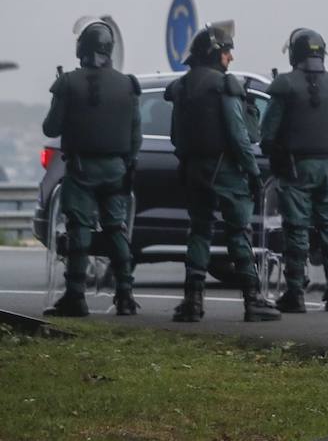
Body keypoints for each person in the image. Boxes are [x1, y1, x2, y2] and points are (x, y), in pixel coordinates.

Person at [165, 21, 280, 323]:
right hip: (226, 172)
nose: (230, 57)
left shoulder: (182, 87)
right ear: (215, 53)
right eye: (227, 51)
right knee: (238, 233)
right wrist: (253, 171)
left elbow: (176, 136)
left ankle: (192, 302)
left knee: (199, 232)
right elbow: (239, 136)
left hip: (194, 170)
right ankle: (252, 301)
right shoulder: (225, 85)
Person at [41, 20, 141, 317]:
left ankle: (75, 296)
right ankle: (125, 295)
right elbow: (136, 137)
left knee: (79, 229)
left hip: (82, 168)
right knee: (116, 229)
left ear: (82, 47)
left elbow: (51, 127)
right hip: (116, 169)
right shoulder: (128, 84)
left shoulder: (69, 83)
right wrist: (124, 164)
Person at [260, 28, 328, 314]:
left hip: (296, 167)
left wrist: (278, 154)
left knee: (296, 228)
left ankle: (295, 291)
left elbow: (268, 134)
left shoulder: (285, 85)